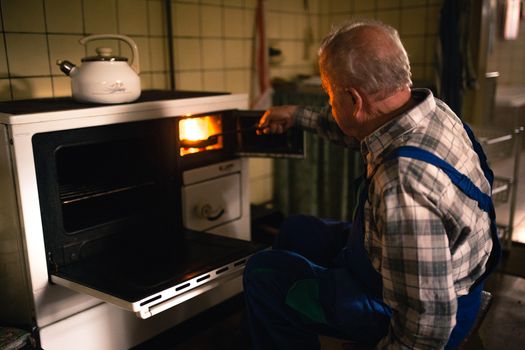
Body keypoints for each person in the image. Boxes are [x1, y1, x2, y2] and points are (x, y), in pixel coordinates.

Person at [243, 19, 500, 349]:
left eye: (329, 95)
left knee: (263, 274)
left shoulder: (402, 183)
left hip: (426, 312)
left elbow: (426, 326)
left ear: (353, 99)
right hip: (435, 273)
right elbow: (362, 129)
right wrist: (296, 115)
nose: (330, 103)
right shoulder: (431, 111)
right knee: (297, 229)